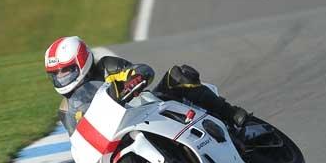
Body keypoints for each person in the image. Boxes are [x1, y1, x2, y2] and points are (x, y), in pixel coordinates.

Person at [44, 36, 249, 137]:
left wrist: (133, 80)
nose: (62, 77)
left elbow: (141, 69)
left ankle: (229, 113)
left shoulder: (107, 67)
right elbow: (78, 138)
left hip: (150, 108)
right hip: (119, 133)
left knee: (178, 76)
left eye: (66, 70)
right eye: (57, 74)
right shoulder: (66, 109)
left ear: (82, 62)